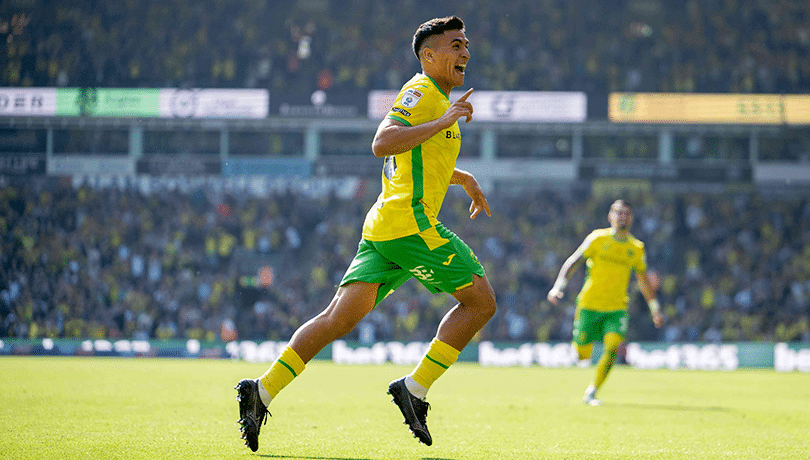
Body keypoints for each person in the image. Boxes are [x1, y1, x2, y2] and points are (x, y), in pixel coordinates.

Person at [235, 16, 497, 451]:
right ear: (429, 55)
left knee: (337, 319)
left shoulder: (436, 100)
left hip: (384, 228)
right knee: (481, 301)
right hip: (409, 223)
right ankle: (414, 388)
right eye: (455, 44)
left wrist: (463, 177)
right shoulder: (422, 93)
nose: (465, 51)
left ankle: (260, 391)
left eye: (466, 43)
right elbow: (384, 141)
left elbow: (421, 161)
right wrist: (445, 117)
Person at [547, 199, 663, 406]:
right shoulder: (597, 239)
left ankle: (592, 391)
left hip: (616, 308)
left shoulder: (636, 248)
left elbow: (643, 281)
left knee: (612, 346)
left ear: (632, 218)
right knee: (583, 355)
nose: (622, 217)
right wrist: (558, 286)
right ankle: (580, 351)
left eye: (626, 213)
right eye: (618, 213)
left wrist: (655, 309)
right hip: (589, 305)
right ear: (610, 216)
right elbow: (574, 261)